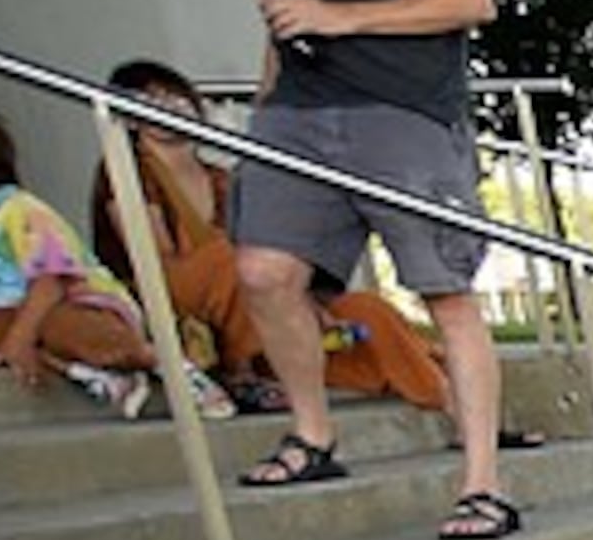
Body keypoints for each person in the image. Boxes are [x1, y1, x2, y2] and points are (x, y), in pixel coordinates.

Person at [227, 0, 518, 540]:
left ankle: (482, 485)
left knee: (447, 293)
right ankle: (312, 435)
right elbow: (282, 9)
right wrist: (266, 104)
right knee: (263, 272)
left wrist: (339, 19)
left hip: (405, 110)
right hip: (296, 113)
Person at [88, 59, 454, 422]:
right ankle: (243, 371)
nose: (172, 107)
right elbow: (154, 255)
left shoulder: (219, 177)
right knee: (234, 259)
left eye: (176, 96)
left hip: (249, 298)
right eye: (153, 99)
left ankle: (450, 404)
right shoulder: (125, 169)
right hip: (169, 292)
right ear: (131, 117)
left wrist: (305, 299)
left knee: (364, 311)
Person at [0, 98, 221, 421]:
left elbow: (51, 284)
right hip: (18, 318)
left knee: (53, 323)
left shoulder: (20, 211)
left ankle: (159, 362)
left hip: (76, 307)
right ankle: (95, 374)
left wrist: (19, 338)